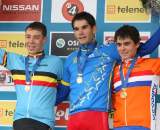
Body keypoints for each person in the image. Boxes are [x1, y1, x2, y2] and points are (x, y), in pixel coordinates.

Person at [56, 11, 160, 130]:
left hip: (98, 115)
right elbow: (62, 93)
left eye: (84, 27)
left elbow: (145, 48)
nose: (80, 32)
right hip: (74, 117)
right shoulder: (70, 59)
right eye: (76, 29)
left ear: (94, 29)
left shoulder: (111, 50)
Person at [0, 22, 63, 130]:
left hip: (44, 122)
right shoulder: (15, 60)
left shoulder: (55, 62)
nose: (31, 41)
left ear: (44, 39)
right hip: (20, 121)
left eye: (36, 37)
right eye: (28, 37)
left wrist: (48, 103)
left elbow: (64, 88)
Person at [112, 25, 160, 130]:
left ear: (137, 44)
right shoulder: (114, 71)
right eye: (119, 45)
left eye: (127, 44)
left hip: (144, 126)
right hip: (118, 127)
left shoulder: (153, 65)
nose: (122, 48)